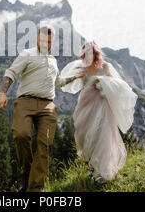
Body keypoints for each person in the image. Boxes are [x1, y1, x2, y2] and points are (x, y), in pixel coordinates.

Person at [0, 24, 85, 192]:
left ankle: (34, 189)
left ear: (53, 41)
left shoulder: (53, 60)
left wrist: (75, 76)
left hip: (47, 107)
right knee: (21, 134)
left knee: (45, 145)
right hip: (25, 102)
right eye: (43, 40)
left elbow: (58, 82)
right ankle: (26, 172)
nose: (46, 44)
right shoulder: (27, 54)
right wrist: (3, 93)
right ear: (37, 38)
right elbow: (10, 73)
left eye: (49, 41)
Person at [59, 41, 138, 183]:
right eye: (86, 52)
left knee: (103, 136)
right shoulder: (80, 68)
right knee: (86, 137)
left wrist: (102, 81)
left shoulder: (104, 66)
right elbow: (68, 81)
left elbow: (115, 84)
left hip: (102, 105)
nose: (89, 55)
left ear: (96, 53)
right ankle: (93, 166)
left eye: (92, 52)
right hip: (85, 106)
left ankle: (104, 171)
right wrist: (75, 76)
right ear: (84, 54)